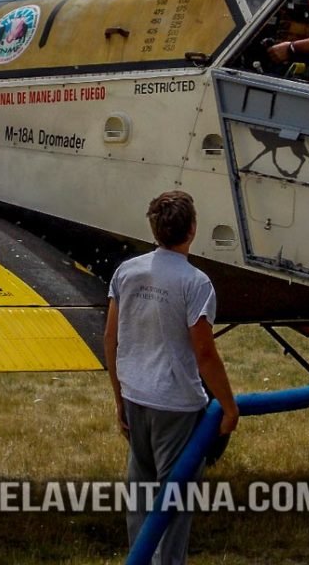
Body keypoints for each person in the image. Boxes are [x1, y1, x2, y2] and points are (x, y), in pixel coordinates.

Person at [105, 190, 239, 564]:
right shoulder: (196, 283)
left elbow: (110, 338)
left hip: (136, 397)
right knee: (174, 505)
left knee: (141, 499)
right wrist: (228, 406)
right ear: (192, 229)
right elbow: (205, 352)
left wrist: (119, 396)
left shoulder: (126, 272)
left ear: (153, 227)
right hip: (177, 406)